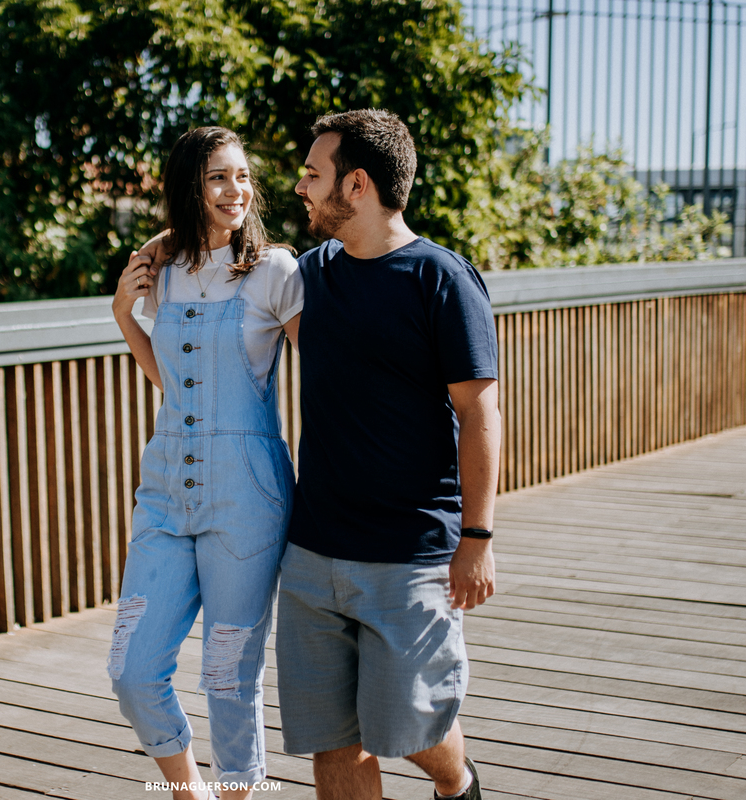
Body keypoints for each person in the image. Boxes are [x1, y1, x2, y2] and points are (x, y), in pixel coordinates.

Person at [275, 109, 501, 800]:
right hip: (313, 553)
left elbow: (479, 413)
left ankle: (458, 783)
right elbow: (225, 268)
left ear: (359, 184)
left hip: (411, 557)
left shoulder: (441, 279)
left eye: (315, 175)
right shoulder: (308, 276)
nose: (302, 188)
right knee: (332, 743)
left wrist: (477, 538)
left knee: (414, 729)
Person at [108, 126, 303, 800]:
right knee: (132, 669)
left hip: (247, 494)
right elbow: (172, 379)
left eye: (243, 176)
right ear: (190, 185)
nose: (237, 190)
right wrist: (124, 315)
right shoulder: (162, 268)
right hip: (164, 488)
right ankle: (187, 791)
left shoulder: (277, 270)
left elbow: (330, 372)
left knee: (228, 674)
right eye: (220, 176)